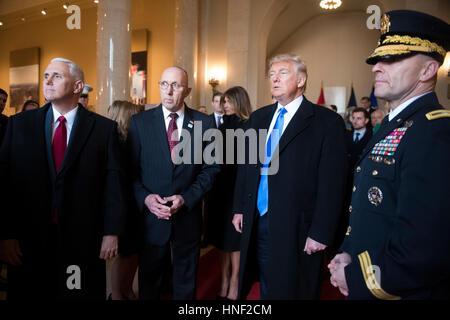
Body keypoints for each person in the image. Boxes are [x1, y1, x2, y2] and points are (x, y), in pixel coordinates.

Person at [329, 10, 450, 300]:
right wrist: (347, 253)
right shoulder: (395, 125)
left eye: (392, 59)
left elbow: (422, 250)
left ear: (427, 70)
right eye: (377, 59)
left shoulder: (434, 132)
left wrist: (357, 277)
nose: (376, 68)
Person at [0, 58, 125, 300]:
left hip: (83, 238)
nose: (48, 80)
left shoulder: (103, 129)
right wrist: (5, 234)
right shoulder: (19, 125)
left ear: (78, 86)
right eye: (46, 75)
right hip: (29, 239)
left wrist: (112, 231)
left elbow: (113, 183)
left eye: (57, 76)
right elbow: (4, 184)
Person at [232, 54, 347, 299]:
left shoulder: (326, 122)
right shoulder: (258, 118)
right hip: (259, 219)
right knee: (266, 285)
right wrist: (240, 208)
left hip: (300, 227)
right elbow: (247, 168)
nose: (274, 79)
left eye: (282, 73)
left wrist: (321, 231)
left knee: (296, 289)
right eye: (271, 74)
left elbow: (333, 183)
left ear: (301, 80)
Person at [127, 66, 220, 300]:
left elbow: (211, 169)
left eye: (176, 85)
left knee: (185, 284)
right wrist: (146, 199)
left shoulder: (204, 122)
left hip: (187, 218)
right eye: (164, 84)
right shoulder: (140, 122)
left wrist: (186, 198)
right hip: (151, 219)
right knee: (149, 283)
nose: (169, 91)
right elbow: (129, 172)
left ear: (187, 90)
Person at [206, 86, 251, 300]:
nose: (225, 105)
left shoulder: (248, 126)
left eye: (229, 101)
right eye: (224, 102)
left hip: (237, 190)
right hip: (218, 190)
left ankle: (235, 282)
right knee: (221, 239)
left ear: (240, 102)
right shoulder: (220, 126)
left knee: (235, 241)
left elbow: (248, 167)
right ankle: (224, 280)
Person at [107, 100, 144, 300]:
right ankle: (117, 294)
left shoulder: (130, 139)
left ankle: (128, 290)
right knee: (125, 253)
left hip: (135, 203)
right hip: (123, 204)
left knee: (134, 251)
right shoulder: (115, 143)